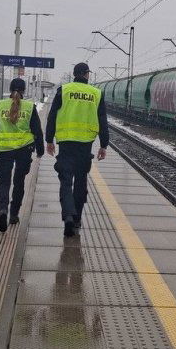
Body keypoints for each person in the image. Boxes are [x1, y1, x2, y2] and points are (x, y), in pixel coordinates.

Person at [45, 62, 109, 237]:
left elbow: (52, 115)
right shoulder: (96, 93)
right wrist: (104, 145)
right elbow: (102, 121)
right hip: (85, 145)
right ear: (87, 74)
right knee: (81, 181)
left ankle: (67, 216)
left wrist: (49, 140)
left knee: (66, 181)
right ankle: (77, 218)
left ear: (74, 74)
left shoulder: (64, 90)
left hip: (65, 143)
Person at [0, 78, 44, 232]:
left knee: (4, 182)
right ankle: (14, 214)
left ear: (10, 89)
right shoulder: (30, 107)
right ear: (24, 90)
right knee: (19, 182)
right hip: (24, 150)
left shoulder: (0, 105)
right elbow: (37, 130)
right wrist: (40, 149)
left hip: (4, 150)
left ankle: (2, 210)